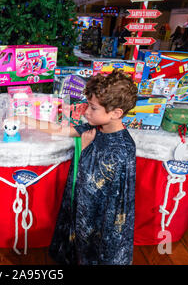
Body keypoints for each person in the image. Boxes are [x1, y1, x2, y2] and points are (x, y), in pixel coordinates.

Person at [16, 70, 138, 265]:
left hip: (98, 221)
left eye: (93, 108)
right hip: (82, 211)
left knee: (90, 252)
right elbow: (61, 129)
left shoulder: (121, 149)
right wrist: (25, 120)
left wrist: (85, 150)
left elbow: (93, 187)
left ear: (116, 113)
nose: (86, 112)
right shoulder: (97, 128)